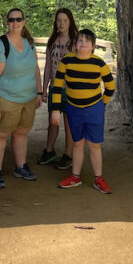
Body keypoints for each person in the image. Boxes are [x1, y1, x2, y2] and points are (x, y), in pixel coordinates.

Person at [50, 28, 115, 194]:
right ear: (75, 44)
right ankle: (75, 176)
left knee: (94, 145)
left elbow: (110, 86)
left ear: (93, 46)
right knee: (77, 143)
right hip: (73, 109)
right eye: (80, 41)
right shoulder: (66, 61)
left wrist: (102, 105)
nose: (83, 44)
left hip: (94, 109)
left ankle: (98, 179)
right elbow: (57, 87)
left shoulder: (99, 64)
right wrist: (56, 110)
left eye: (87, 41)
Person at [0, 8, 43, 189]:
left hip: (28, 98)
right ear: (7, 22)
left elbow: (35, 69)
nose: (15, 23)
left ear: (24, 21)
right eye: (12, 20)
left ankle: (21, 166)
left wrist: (39, 93)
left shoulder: (29, 43)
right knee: (0, 134)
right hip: (6, 97)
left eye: (19, 19)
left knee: (21, 132)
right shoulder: (1, 45)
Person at [37, 7, 77, 169]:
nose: (61, 24)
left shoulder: (75, 42)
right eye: (59, 21)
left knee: (68, 122)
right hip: (55, 88)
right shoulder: (52, 41)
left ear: (70, 22)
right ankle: (49, 150)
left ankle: (68, 154)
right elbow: (47, 67)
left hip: (70, 89)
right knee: (53, 121)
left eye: (65, 21)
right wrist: (44, 88)